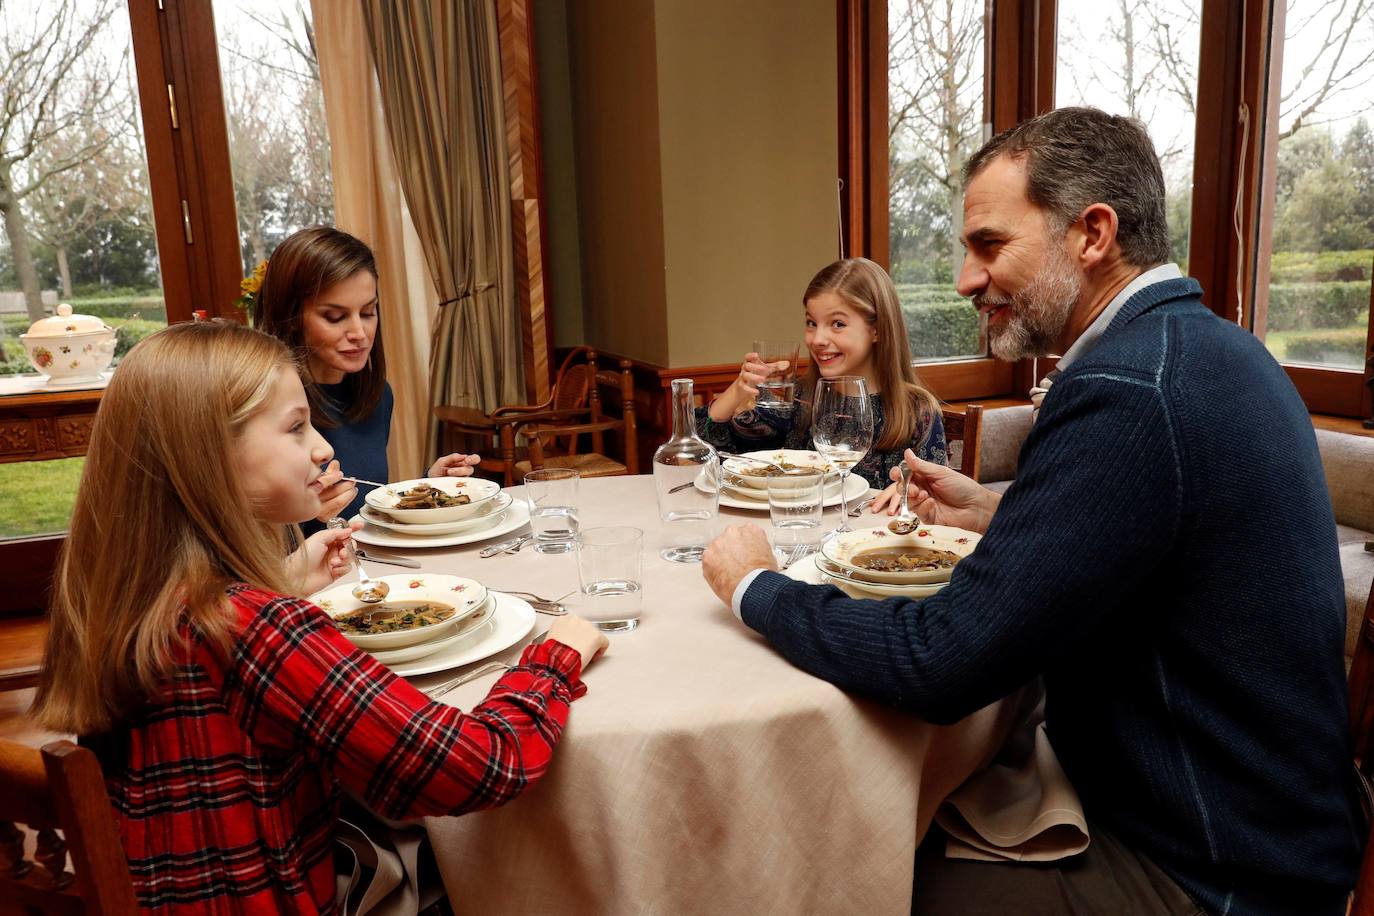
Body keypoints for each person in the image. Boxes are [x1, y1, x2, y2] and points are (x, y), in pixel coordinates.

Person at [700, 107, 1362, 915]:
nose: (966, 280)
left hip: (1216, 869)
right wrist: (1003, 518)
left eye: (989, 245)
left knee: (853, 873)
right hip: (1271, 823)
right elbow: (1154, 542)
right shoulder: (1210, 347)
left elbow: (940, 663)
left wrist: (755, 588)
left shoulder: (1125, 389)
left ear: (1092, 235)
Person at [30, 320, 609, 913]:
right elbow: (476, 766)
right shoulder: (255, 630)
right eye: (295, 427)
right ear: (206, 455)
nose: (324, 448)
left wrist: (282, 581)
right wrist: (554, 657)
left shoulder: (125, 596)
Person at [253, 226, 482, 530]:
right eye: (335, 317)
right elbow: (239, 547)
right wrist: (302, 514)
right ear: (292, 317)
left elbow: (365, 509)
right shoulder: (260, 406)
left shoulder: (378, 398)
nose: (360, 334)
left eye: (368, 312)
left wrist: (427, 487)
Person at [696, 258, 948, 489]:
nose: (817, 339)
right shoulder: (797, 400)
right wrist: (738, 389)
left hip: (876, 538)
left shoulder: (918, 411)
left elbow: (933, 503)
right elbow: (714, 456)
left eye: (838, 324)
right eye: (811, 323)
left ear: (877, 330)